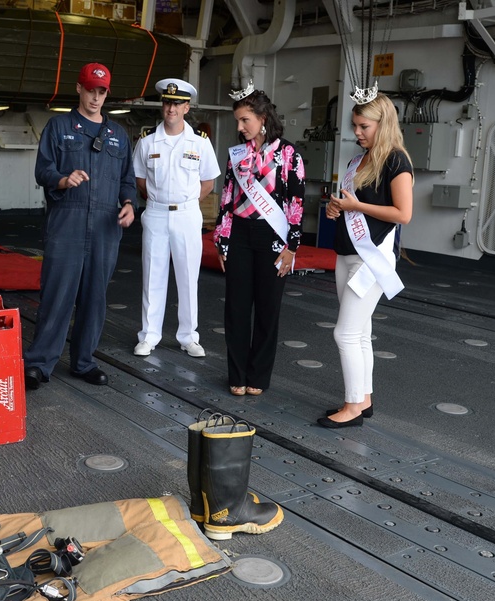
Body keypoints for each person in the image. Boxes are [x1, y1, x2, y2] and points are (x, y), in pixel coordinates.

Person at [24, 62, 137, 390]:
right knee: (57, 293)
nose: (96, 97)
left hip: (105, 226)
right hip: (67, 222)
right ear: (79, 88)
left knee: (94, 297)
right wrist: (62, 179)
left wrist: (129, 205)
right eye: (91, 90)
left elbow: (127, 180)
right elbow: (42, 169)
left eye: (102, 92)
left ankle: (83, 361)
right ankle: (40, 363)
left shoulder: (118, 136)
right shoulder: (58, 127)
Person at [319, 92, 412, 428]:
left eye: (363, 126)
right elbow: (350, 205)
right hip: (347, 254)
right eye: (355, 125)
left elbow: (403, 213)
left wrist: (355, 207)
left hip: (371, 259)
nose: (357, 132)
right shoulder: (357, 162)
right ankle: (364, 398)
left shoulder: (396, 161)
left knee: (345, 334)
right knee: (359, 333)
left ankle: (352, 406)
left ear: (382, 124)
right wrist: (336, 208)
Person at [213, 87, 305, 396]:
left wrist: (292, 246)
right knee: (236, 309)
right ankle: (236, 374)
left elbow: (296, 203)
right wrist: (222, 240)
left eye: (245, 120)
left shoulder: (290, 155)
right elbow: (226, 199)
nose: (240, 127)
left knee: (268, 309)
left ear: (263, 119)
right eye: (238, 121)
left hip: (273, 238)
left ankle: (258, 377)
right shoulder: (236, 154)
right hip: (239, 234)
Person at [132, 78, 220, 359]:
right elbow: (140, 179)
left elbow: (208, 181)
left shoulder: (200, 143)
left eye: (177, 103)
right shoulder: (147, 142)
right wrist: (160, 199)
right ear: (163, 105)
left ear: (187, 107)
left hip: (186, 214)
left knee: (187, 277)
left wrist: (186, 201)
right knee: (152, 276)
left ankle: (188, 337)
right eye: (168, 102)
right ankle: (149, 336)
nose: (171, 108)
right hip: (156, 212)